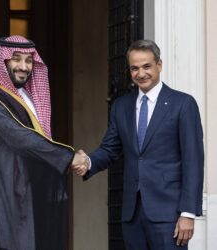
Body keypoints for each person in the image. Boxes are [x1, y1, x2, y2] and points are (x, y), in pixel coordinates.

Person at [74, 40, 204, 250]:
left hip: (169, 215)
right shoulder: (121, 106)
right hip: (132, 215)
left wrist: (188, 213)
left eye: (146, 66)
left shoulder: (183, 104)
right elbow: (109, 149)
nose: (140, 74)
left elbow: (193, 161)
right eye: (135, 68)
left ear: (159, 64)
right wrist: (87, 162)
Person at [0, 35, 85, 250]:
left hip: (30, 194)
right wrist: (69, 157)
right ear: (4, 61)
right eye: (16, 59)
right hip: (4, 195)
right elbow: (21, 139)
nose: (23, 66)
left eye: (29, 60)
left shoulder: (26, 98)